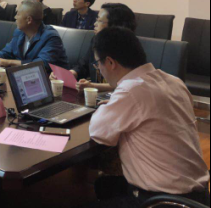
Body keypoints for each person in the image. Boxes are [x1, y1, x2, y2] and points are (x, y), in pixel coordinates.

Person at [87, 27, 210, 207]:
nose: (99, 69)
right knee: (103, 185)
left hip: (162, 201)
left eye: (98, 63)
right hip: (196, 194)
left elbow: (98, 132)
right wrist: (116, 106)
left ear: (110, 62)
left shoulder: (131, 91)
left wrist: (110, 107)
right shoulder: (173, 81)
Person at [52, 3, 137, 93]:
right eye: (96, 20)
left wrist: (93, 86)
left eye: (99, 21)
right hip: (96, 95)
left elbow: (127, 83)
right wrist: (69, 74)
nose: (95, 24)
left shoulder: (128, 47)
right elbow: (84, 65)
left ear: (115, 25)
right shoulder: (96, 40)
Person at [0, 0, 68, 72]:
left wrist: (10, 62)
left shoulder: (51, 37)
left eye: (18, 14)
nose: (15, 17)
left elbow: (42, 64)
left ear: (29, 20)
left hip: (53, 82)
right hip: (26, 76)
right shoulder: (19, 32)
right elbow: (8, 51)